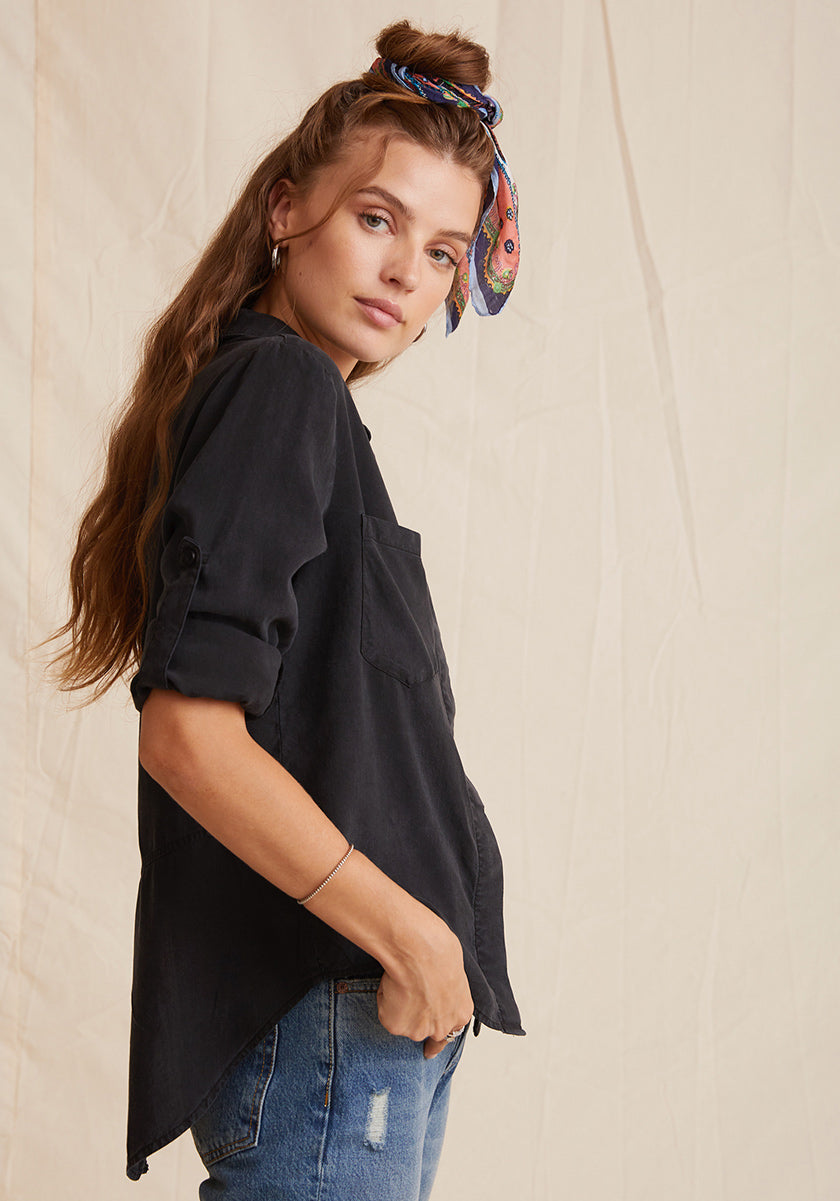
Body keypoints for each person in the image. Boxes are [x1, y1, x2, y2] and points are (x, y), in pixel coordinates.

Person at [50, 20, 523, 1201]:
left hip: (363, 1018)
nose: (406, 269)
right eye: (377, 218)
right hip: (331, 1006)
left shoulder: (299, 410)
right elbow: (189, 733)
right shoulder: (281, 386)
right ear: (284, 209)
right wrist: (412, 933)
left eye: (442, 248)